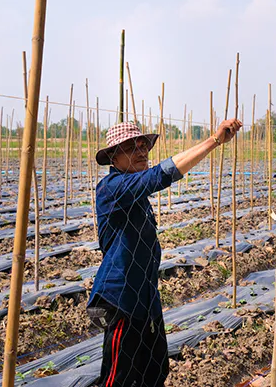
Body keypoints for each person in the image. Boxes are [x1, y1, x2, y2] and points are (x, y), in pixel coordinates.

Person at [87, 118, 242, 387]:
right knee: (117, 379)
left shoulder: (135, 193)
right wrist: (214, 141)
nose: (141, 151)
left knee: (156, 369)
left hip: (146, 297)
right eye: (131, 147)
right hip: (120, 298)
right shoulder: (112, 188)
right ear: (113, 157)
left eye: (143, 145)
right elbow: (160, 175)